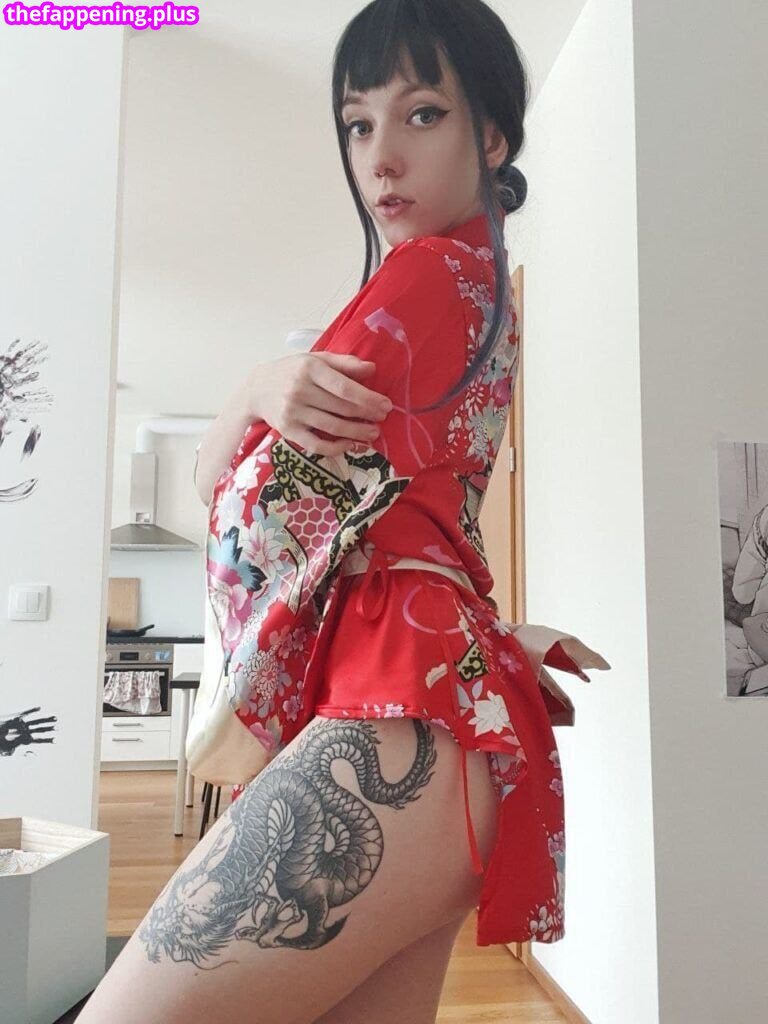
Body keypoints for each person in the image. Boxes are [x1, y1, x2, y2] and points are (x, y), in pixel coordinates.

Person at [79, 3, 609, 1022]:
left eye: (422, 114)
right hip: (442, 734)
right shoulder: (483, 291)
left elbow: (249, 510)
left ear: (492, 136)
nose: (380, 157)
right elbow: (394, 516)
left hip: (393, 718)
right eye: (359, 124)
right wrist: (258, 390)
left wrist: (250, 399)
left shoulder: (421, 274)